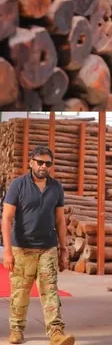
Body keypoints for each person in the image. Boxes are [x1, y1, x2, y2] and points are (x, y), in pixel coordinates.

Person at [2, 146, 75, 345]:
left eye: (48, 163)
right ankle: (16, 330)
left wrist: (63, 249)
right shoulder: (18, 185)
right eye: (40, 162)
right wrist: (7, 251)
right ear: (31, 162)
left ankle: (56, 333)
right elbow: (7, 218)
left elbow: (60, 221)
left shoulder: (56, 188)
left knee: (50, 290)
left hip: (48, 248)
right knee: (20, 292)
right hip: (22, 248)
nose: (44, 166)